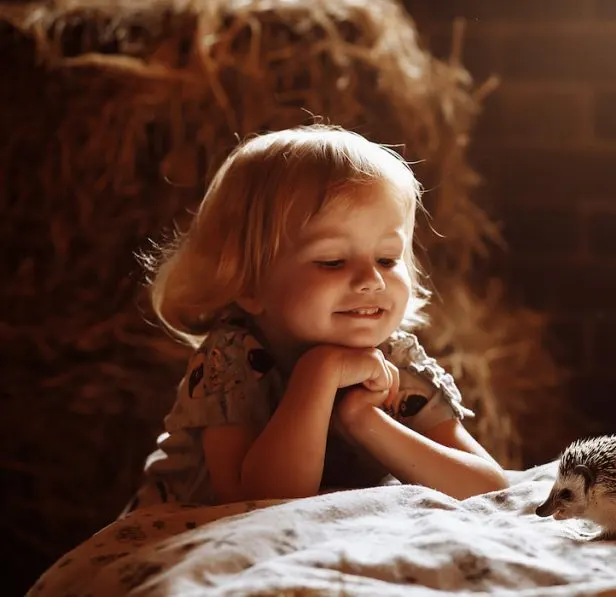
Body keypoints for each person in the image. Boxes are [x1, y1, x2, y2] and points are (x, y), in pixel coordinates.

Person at [123, 125, 508, 514]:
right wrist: (319, 374)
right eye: (332, 262)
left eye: (387, 259)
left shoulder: (395, 360)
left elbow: (487, 486)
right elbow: (256, 503)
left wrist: (363, 419)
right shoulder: (232, 361)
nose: (371, 280)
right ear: (251, 286)